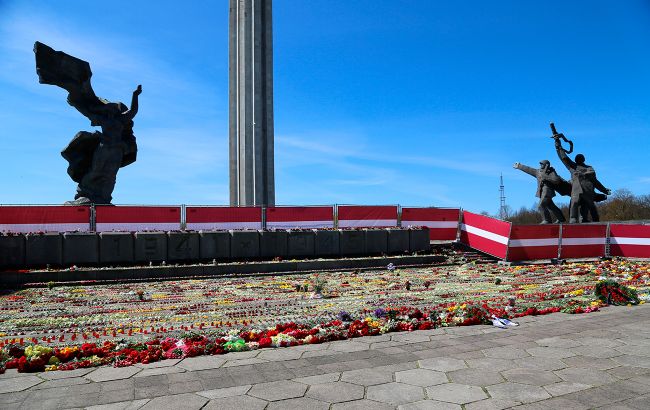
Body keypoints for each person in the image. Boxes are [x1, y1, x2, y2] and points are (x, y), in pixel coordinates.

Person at [554, 139, 611, 223]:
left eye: (580, 158)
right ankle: (573, 218)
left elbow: (595, 182)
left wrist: (604, 190)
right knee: (574, 202)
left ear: (583, 159)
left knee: (589, 206)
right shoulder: (572, 166)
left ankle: (592, 221)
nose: (578, 159)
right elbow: (564, 158)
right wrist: (558, 145)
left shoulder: (589, 168)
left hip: (588, 190)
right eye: (577, 158)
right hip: (576, 189)